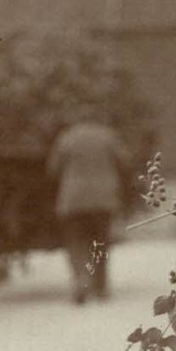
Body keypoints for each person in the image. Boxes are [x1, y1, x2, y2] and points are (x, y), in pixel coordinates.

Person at [47, 112, 133, 304]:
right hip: (103, 199)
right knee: (100, 242)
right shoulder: (108, 136)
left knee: (76, 242)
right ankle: (100, 286)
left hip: (73, 199)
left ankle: (80, 280)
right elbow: (125, 162)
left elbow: (53, 168)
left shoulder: (67, 137)